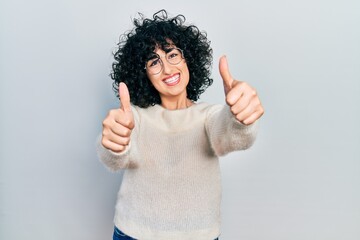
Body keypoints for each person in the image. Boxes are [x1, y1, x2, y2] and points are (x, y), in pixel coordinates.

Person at [97, 9, 264, 240]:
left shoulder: (208, 116)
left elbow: (232, 135)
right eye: (154, 62)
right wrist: (114, 142)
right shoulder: (136, 117)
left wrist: (241, 118)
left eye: (172, 55)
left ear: (188, 58)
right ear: (144, 73)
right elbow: (116, 155)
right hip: (132, 234)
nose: (167, 69)